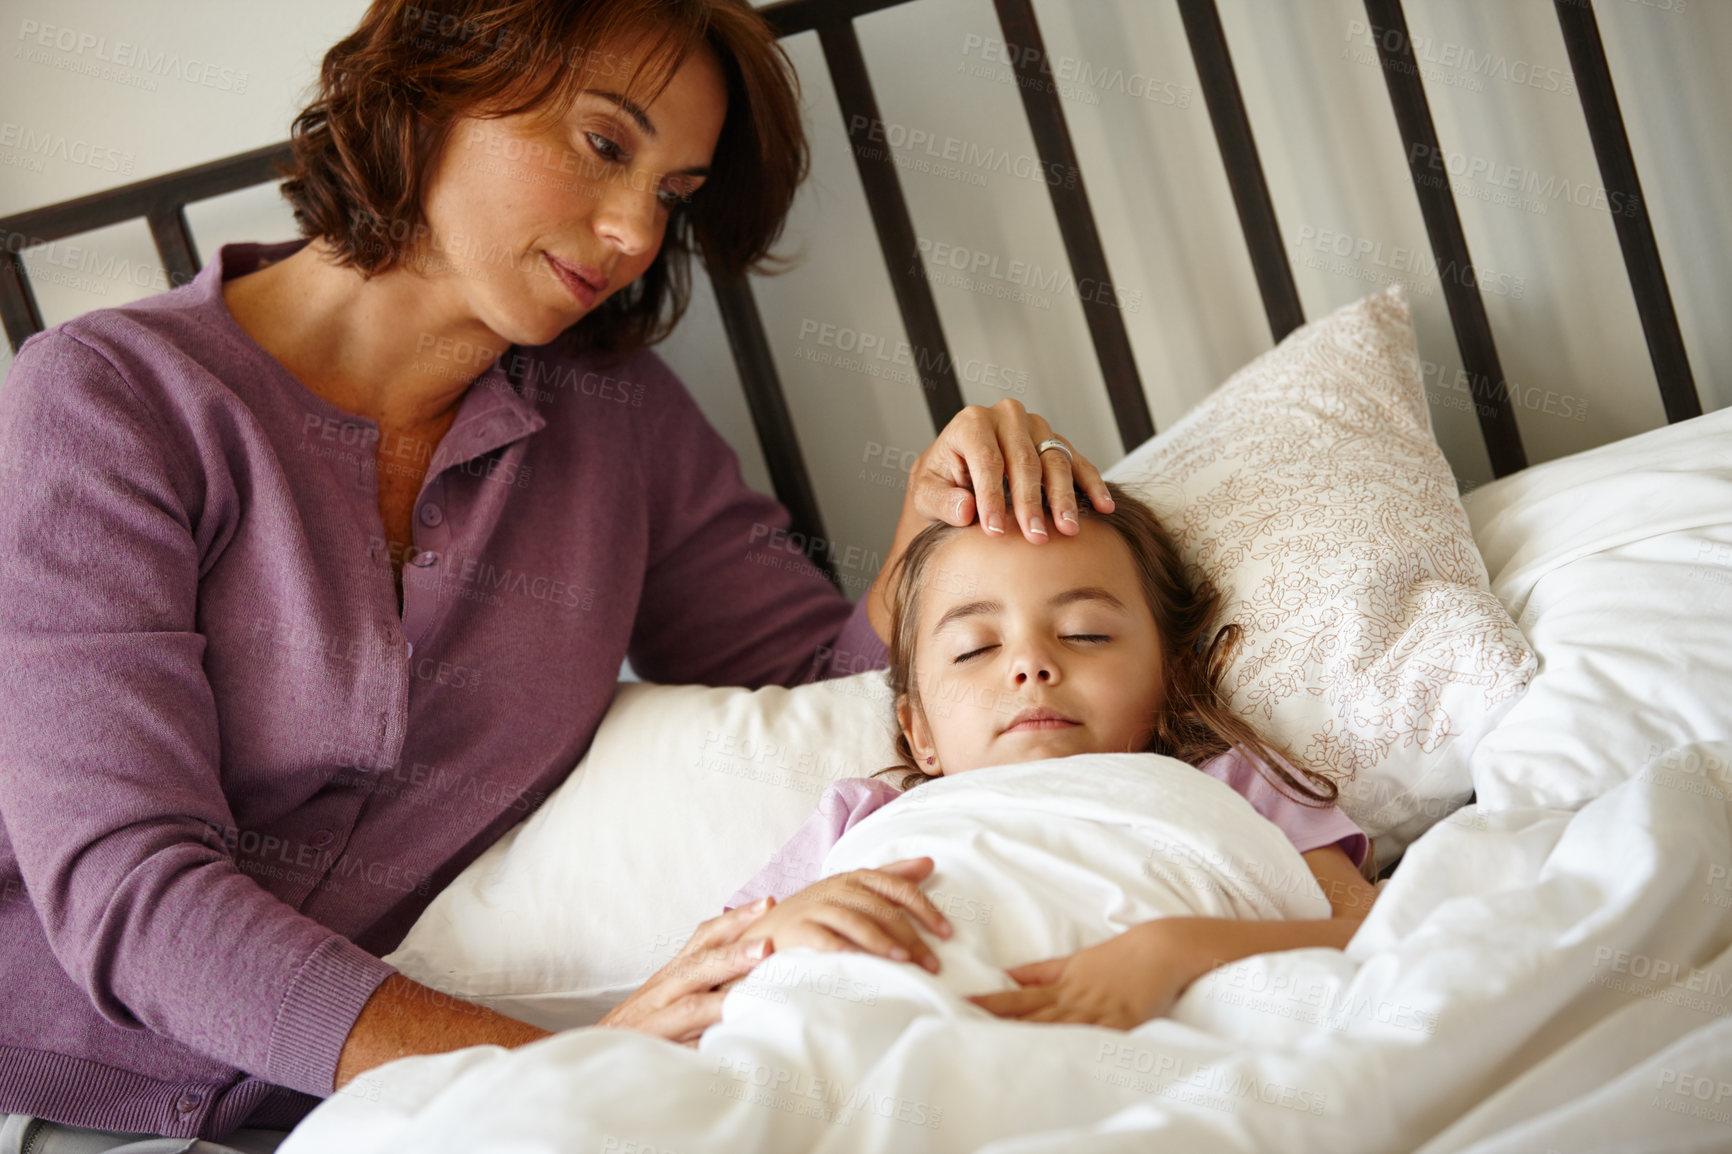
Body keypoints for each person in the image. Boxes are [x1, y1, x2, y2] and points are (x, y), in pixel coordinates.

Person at [0, 0, 1112, 1149]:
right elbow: (129, 891)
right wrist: (570, 1071)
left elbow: (822, 699)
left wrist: (933, 539)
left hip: (407, 1111)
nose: (636, 231)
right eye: (603, 145)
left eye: (673, 194)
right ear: (436, 77)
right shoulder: (111, 400)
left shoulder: (615, 416)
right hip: (72, 1090)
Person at [722, 482, 1380, 1028]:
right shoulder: (860, 817)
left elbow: (1378, 935)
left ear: (1170, 676)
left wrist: (1179, 950)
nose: (1031, 664)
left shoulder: (1231, 779)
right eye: (976, 648)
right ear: (919, 730)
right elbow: (710, 973)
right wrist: (786, 923)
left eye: (1084, 633)